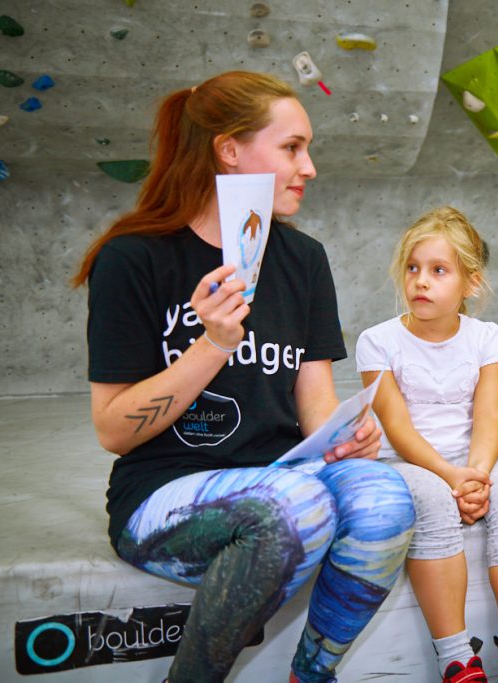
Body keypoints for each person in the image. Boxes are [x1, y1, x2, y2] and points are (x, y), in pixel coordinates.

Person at [72, 71, 415, 683]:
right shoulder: (134, 258)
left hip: (284, 480)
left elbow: (315, 403)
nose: (308, 168)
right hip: (164, 496)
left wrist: (346, 438)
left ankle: (311, 674)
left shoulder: (304, 259)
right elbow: (113, 430)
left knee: (384, 497)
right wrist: (212, 345)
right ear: (229, 150)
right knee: (295, 505)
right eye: (291, 148)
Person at [356, 207, 498, 683]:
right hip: (409, 462)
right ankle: (456, 656)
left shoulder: (485, 337)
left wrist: (476, 474)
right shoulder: (378, 342)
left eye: (438, 271)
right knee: (434, 501)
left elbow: (488, 416)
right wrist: (452, 477)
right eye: (413, 269)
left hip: (470, 460)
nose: (421, 281)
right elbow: (397, 428)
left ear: (470, 283)